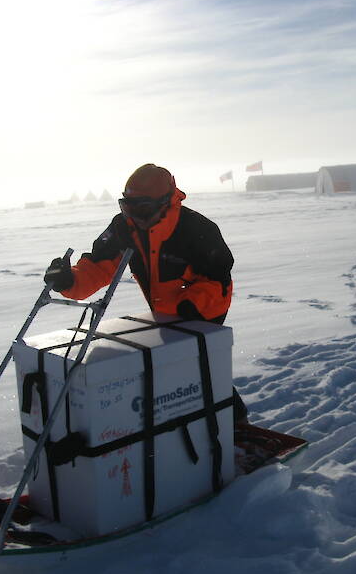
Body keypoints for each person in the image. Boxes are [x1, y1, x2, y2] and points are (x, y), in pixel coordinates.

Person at [44, 163, 247, 421]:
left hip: (203, 312)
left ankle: (236, 424)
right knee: (175, 370)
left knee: (199, 366)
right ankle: (180, 426)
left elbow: (217, 282)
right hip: (163, 315)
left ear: (166, 202)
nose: (135, 216)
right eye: (127, 207)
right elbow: (98, 267)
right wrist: (68, 280)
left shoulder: (198, 230)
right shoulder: (124, 228)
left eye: (143, 208)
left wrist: (190, 307)